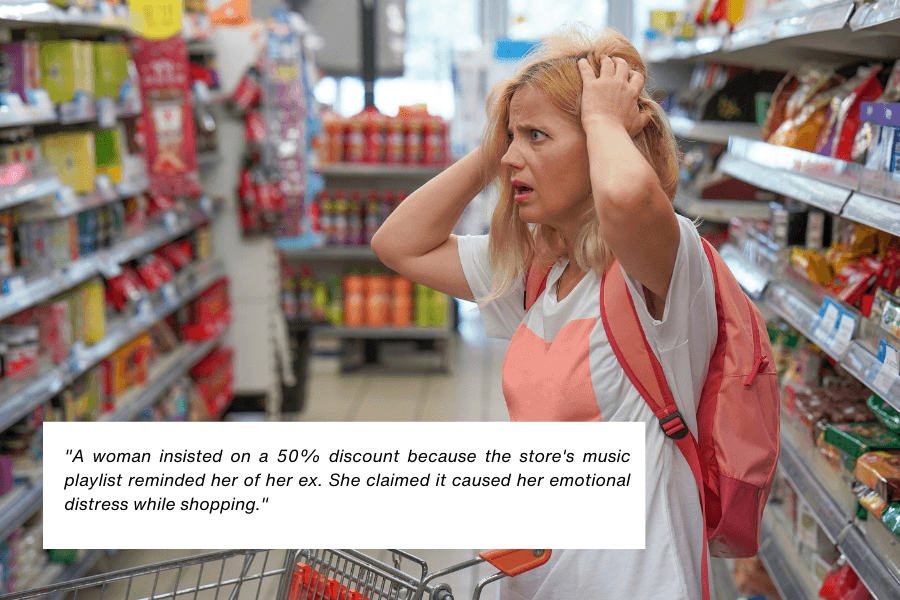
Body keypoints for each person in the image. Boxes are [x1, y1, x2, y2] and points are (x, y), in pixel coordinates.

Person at [372, 26, 716, 600]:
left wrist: (604, 121)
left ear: (604, 145)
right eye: (511, 137)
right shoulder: (542, 271)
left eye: (537, 136)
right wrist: (494, 150)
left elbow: (630, 199)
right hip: (538, 581)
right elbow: (398, 244)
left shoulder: (663, 268)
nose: (512, 157)